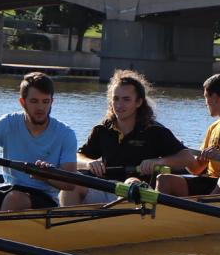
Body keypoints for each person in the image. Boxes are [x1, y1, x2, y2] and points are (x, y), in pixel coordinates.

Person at [67, 70, 195, 205]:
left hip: (139, 193)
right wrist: (88, 163)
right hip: (105, 188)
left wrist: (159, 162)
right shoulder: (102, 130)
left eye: (126, 99)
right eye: (115, 99)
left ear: (139, 102)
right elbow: (77, 157)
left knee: (130, 183)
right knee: (70, 184)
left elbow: (188, 159)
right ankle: (66, 223)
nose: (119, 105)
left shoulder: (155, 131)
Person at [0, 71, 79, 214]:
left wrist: (46, 176)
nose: (40, 108)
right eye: (34, 101)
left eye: (45, 101)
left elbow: (70, 183)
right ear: (23, 102)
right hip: (9, 188)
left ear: (52, 102)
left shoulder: (66, 134)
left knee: (15, 198)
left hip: (44, 198)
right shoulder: (8, 123)